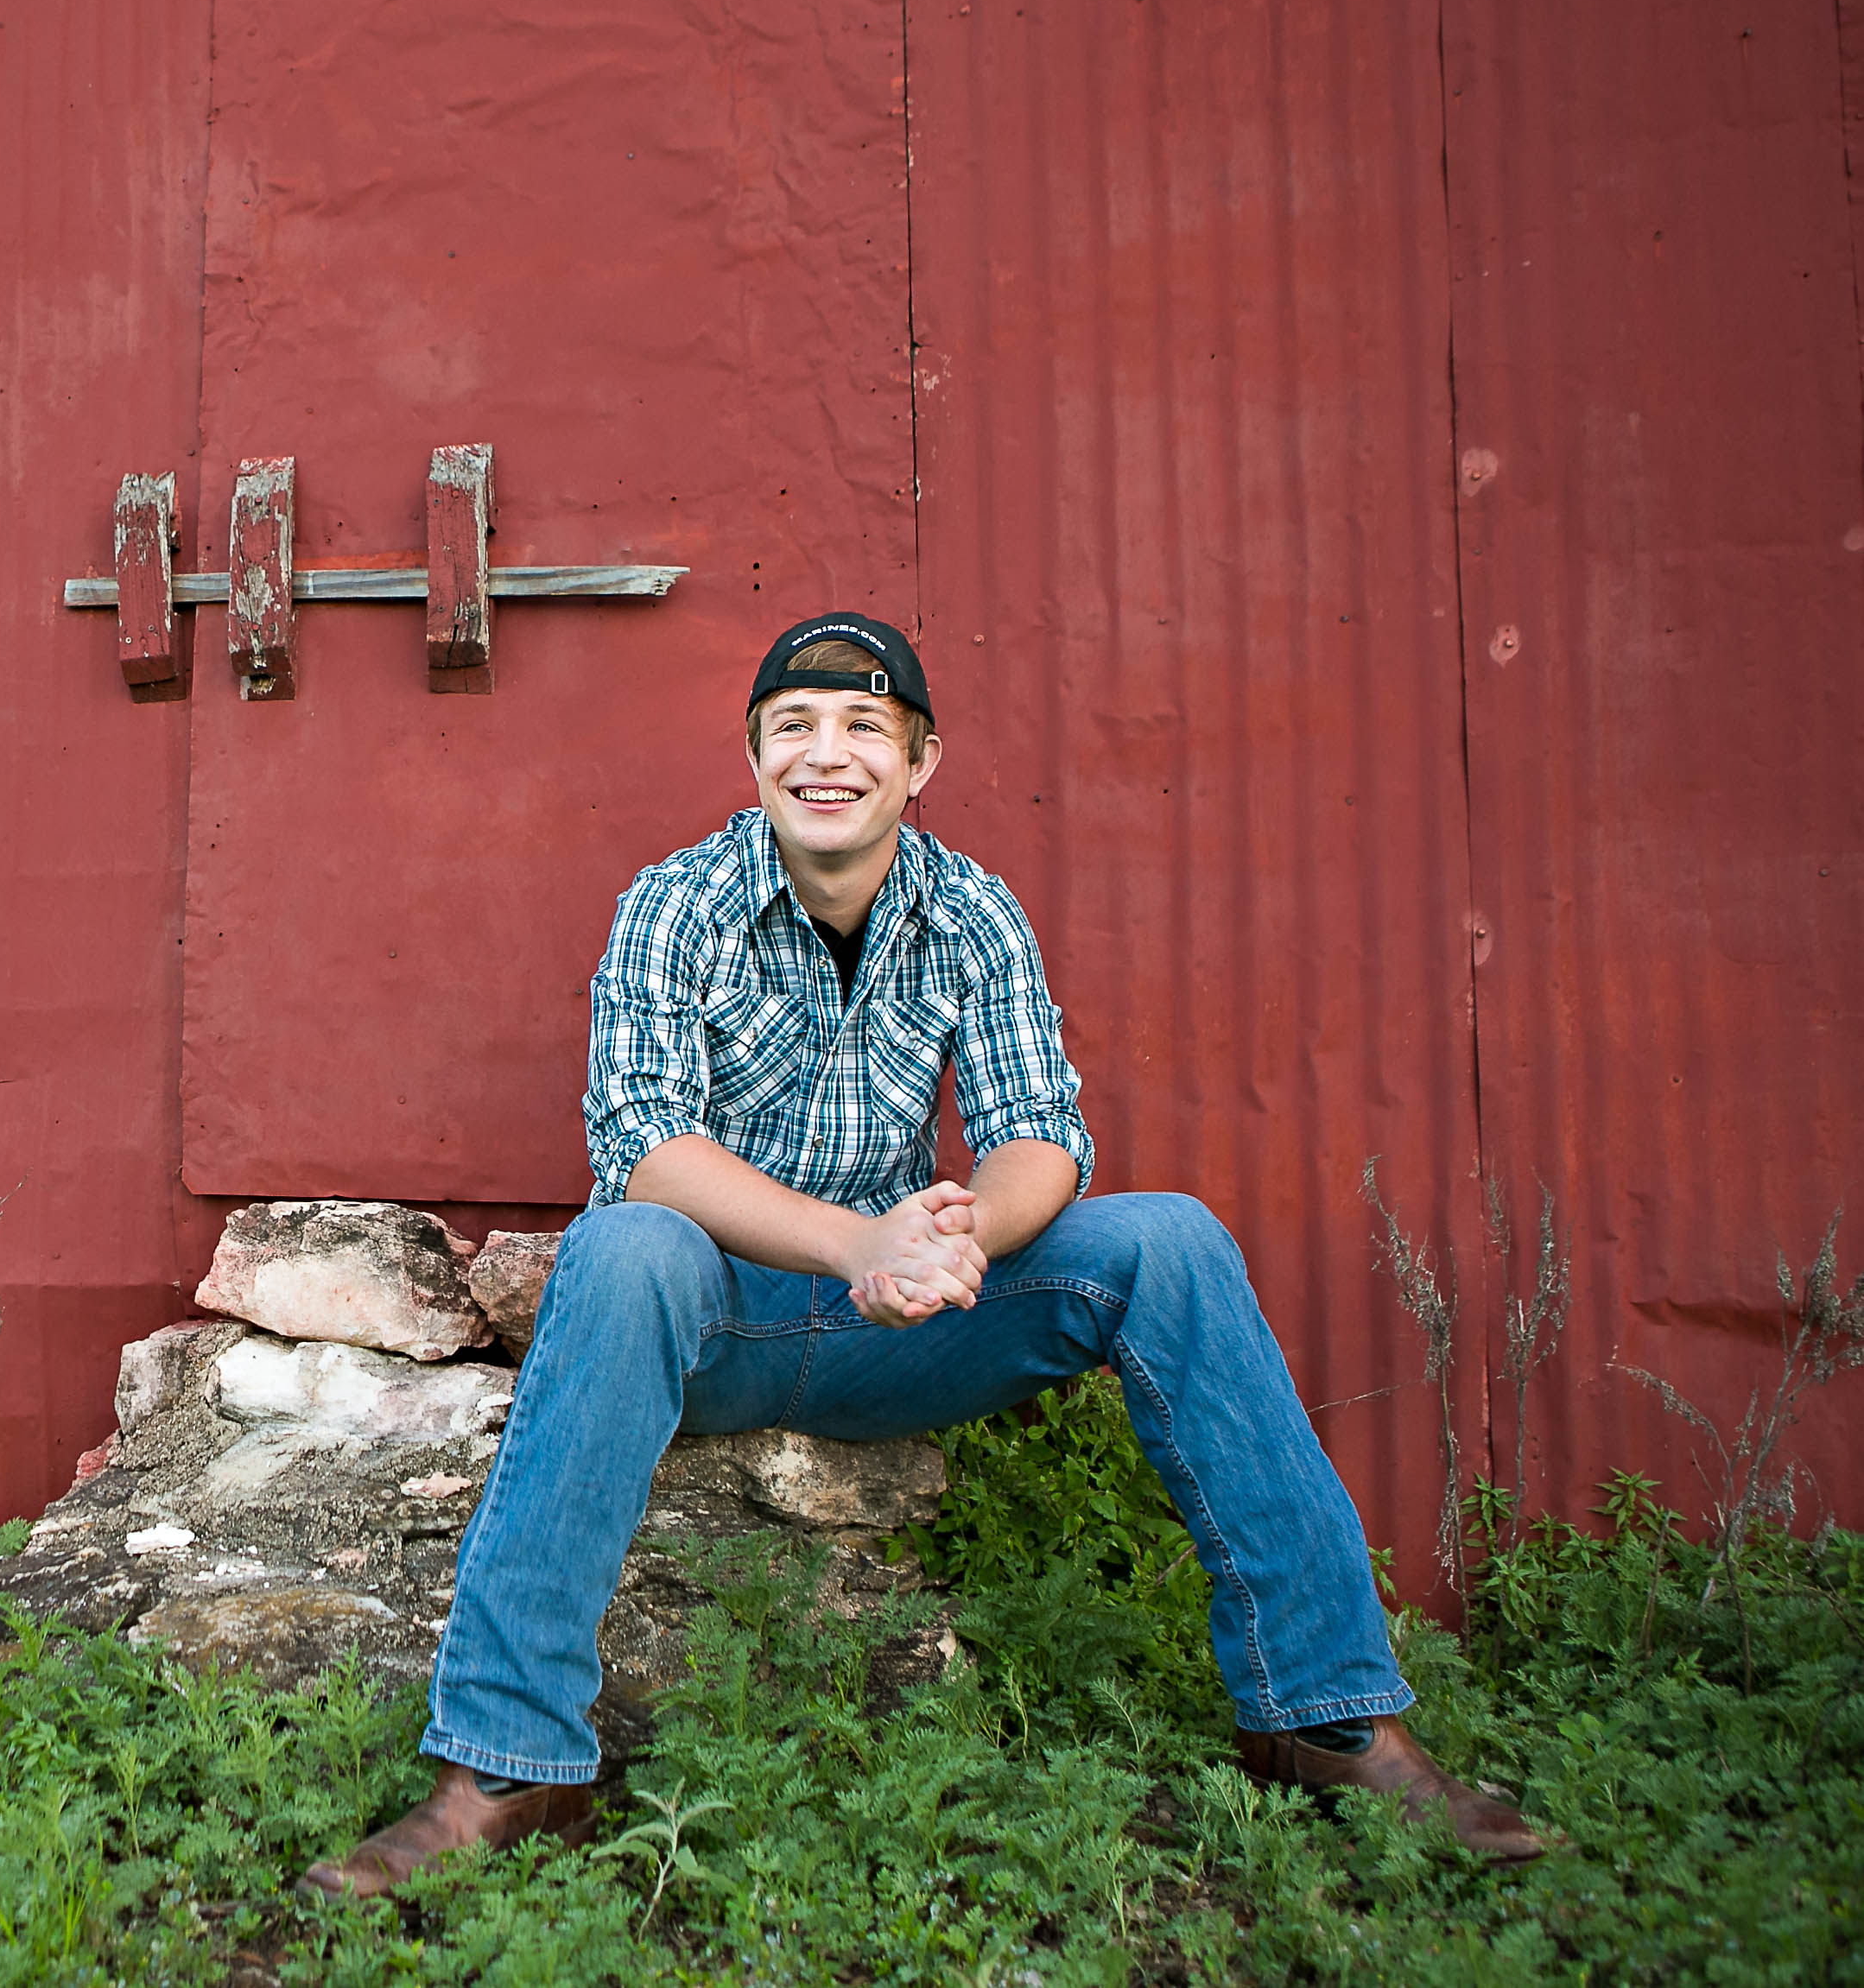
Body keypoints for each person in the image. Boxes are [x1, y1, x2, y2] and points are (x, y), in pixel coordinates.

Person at [298, 611, 1543, 1900]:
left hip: (901, 1327)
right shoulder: (676, 903)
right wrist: (861, 1241)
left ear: (920, 761)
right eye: (793, 726)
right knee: (623, 1245)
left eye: (864, 727)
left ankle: (1327, 1722)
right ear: (753, 753)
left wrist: (951, 1245)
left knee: (1169, 1238)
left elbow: (1041, 1137)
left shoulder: (970, 910)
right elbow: (646, 1146)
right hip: (718, 1321)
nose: (826, 755)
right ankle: (508, 1767)